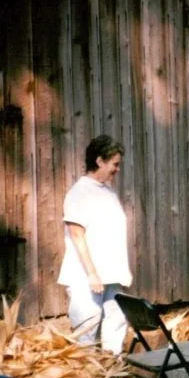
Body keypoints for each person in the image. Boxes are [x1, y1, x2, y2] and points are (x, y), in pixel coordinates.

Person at [57, 135, 131, 355]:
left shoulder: (108, 192)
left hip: (111, 275)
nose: (117, 169)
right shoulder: (79, 193)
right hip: (87, 276)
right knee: (87, 327)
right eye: (115, 164)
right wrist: (92, 274)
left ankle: (111, 374)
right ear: (99, 161)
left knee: (116, 323)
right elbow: (77, 235)